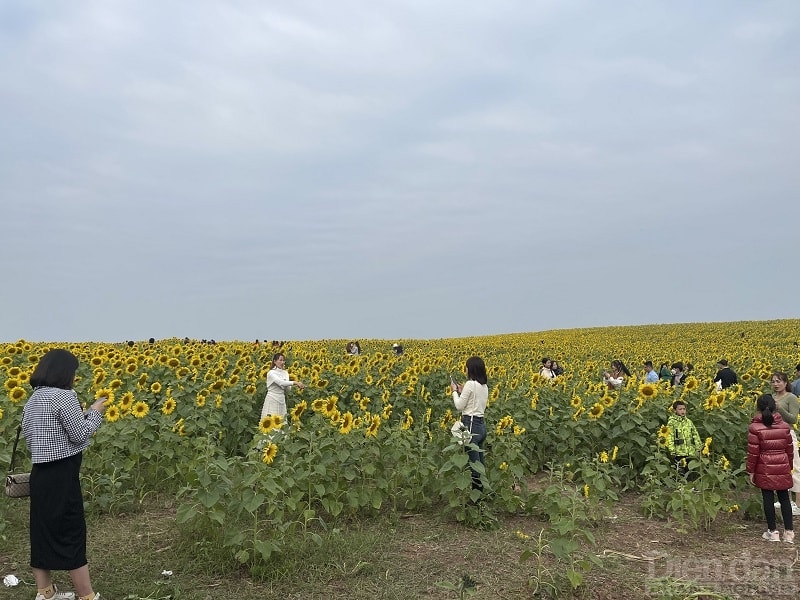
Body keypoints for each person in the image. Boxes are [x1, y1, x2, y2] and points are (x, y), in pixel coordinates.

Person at [21, 349, 106, 600]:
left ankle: (45, 593)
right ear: (64, 372)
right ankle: (87, 596)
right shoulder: (64, 397)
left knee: (42, 531)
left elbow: (29, 437)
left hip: (40, 474)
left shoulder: (33, 399)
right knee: (71, 531)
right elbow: (80, 433)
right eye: (73, 372)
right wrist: (95, 413)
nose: (74, 377)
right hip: (62, 473)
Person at [747, 394, 794, 543]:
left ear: (758, 408)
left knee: (768, 498)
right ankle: (789, 533)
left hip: (764, 465)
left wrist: (751, 471)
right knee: (784, 498)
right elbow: (790, 449)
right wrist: (789, 466)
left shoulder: (755, 427)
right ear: (775, 407)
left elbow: (753, 452)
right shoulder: (785, 426)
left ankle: (773, 532)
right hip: (782, 463)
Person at [451, 356, 489, 492]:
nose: (465, 369)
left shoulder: (470, 384)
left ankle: (476, 499)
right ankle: (483, 493)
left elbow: (459, 406)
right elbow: (474, 401)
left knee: (474, 466)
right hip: (481, 426)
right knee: (480, 464)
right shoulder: (483, 386)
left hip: (471, 426)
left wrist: (454, 391)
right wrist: (463, 392)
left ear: (471, 369)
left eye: (466, 367)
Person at [771, 372, 800, 515]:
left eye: (779, 381)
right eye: (773, 381)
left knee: (794, 466)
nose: (776, 384)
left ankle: (797, 503)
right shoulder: (773, 397)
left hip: (788, 434)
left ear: (785, 382)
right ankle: (785, 499)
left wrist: (779, 408)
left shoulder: (791, 397)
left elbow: (793, 419)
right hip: (775, 434)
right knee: (781, 468)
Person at [260, 353, 306, 420]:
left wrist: (296, 386)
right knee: (271, 420)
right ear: (275, 361)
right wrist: (295, 382)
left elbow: (287, 389)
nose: (282, 362)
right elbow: (281, 382)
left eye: (283, 360)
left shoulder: (285, 373)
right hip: (272, 398)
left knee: (281, 421)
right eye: (280, 360)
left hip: (281, 399)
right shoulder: (271, 373)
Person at [665, 400, 702, 478]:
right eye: (680, 409)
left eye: (684, 409)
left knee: (690, 469)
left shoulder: (689, 422)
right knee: (681, 470)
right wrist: (671, 449)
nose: (683, 411)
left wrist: (698, 447)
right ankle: (681, 486)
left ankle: (691, 487)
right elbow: (670, 436)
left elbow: (695, 434)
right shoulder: (672, 422)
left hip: (690, 451)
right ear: (675, 410)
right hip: (679, 451)